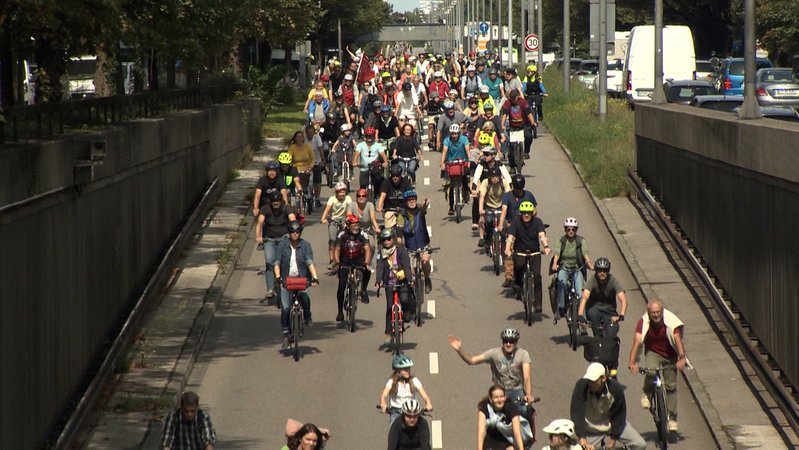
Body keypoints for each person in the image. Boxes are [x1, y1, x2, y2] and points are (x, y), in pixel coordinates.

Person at [628, 299, 691, 432]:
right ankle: (647, 392)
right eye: (653, 313)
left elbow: (678, 340)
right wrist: (632, 362)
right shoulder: (643, 322)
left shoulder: (671, 322)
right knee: (651, 371)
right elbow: (637, 341)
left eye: (658, 312)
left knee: (671, 387)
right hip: (653, 352)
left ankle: (672, 419)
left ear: (662, 311)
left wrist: (682, 358)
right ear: (648, 313)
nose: (655, 315)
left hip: (670, 354)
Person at [448, 328, 535, 415]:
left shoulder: (523, 354)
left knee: (524, 410)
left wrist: (529, 394)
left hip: (516, 390)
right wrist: (460, 350)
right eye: (506, 341)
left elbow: (527, 377)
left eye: (511, 341)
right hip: (500, 391)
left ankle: (528, 428)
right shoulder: (494, 353)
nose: (508, 344)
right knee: (488, 414)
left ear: (516, 342)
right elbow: (472, 360)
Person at [570, 362, 646, 450]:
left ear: (603, 378)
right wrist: (582, 437)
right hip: (591, 429)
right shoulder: (581, 387)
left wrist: (613, 439)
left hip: (612, 425)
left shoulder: (615, 389)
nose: (591, 383)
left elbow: (619, 415)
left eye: (594, 381)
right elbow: (576, 413)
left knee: (640, 444)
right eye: (589, 380)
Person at [274, 221, 319, 349]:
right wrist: (278, 277)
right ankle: (286, 336)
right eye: (292, 232)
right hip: (286, 280)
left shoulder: (306, 245)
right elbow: (277, 263)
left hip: (301, 279)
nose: (295, 234)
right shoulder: (282, 245)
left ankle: (307, 316)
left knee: (305, 298)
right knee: (286, 308)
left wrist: (315, 277)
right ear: (289, 233)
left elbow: (309, 262)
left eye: (297, 231)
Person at [504, 201, 551, 309]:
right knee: (519, 266)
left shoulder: (538, 222)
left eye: (528, 212)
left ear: (532, 213)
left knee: (537, 276)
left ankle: (538, 303)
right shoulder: (516, 222)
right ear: (520, 213)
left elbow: (542, 236)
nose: (526, 215)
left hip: (534, 253)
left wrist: (546, 247)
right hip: (520, 252)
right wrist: (507, 249)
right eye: (524, 212)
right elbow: (510, 237)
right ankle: (518, 285)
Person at [550, 218, 594, 322]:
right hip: (564, 267)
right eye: (568, 229)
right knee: (561, 284)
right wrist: (554, 264)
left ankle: (580, 314)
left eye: (573, 229)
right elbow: (557, 253)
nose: (571, 231)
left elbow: (585, 254)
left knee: (580, 290)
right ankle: (560, 309)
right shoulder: (561, 241)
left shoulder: (581, 241)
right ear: (565, 230)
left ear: (576, 230)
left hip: (577, 268)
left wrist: (590, 264)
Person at [256, 191, 297, 301]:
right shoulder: (265, 209)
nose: (276, 203)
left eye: (278, 201)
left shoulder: (286, 208)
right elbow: (260, 223)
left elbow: (292, 220)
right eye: (274, 202)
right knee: (270, 262)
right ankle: (270, 289)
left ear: (281, 201)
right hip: (269, 239)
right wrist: (258, 236)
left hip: (284, 237)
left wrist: (294, 232)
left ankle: (287, 282)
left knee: (285, 260)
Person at [498, 175, 538, 287]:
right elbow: (504, 211)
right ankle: (509, 277)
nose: (519, 192)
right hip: (512, 227)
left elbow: (535, 211)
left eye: (520, 190)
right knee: (509, 251)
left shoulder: (529, 195)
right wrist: (501, 225)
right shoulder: (507, 196)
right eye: (517, 189)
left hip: (526, 227)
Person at [375, 227, 413, 341]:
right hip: (389, 282)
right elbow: (380, 267)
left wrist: (410, 279)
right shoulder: (380, 252)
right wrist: (378, 281)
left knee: (405, 298)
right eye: (384, 239)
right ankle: (388, 332)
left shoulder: (401, 250)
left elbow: (406, 266)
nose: (386, 241)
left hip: (402, 281)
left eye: (389, 239)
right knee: (389, 307)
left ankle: (406, 312)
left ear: (393, 239)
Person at [334, 214, 373, 321]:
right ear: (347, 225)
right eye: (353, 225)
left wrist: (366, 262)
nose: (356, 227)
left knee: (367, 271)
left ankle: (363, 290)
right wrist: (337, 262)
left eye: (357, 225)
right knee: (341, 286)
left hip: (358, 258)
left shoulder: (362, 234)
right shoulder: (342, 234)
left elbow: (367, 248)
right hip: (344, 260)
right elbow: (337, 248)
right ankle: (340, 311)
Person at [577, 257, 628, 338]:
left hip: (609, 311)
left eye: (604, 271)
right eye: (599, 271)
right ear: (596, 271)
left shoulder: (612, 280)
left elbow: (623, 299)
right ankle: (597, 340)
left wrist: (621, 315)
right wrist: (580, 315)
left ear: (608, 271)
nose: (602, 273)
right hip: (594, 309)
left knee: (611, 334)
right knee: (594, 319)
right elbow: (584, 297)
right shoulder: (593, 280)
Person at [380, 354, 434, 424]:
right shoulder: (392, 382)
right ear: (398, 371)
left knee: (421, 429)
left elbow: (425, 396)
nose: (408, 371)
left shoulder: (414, 380)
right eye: (405, 369)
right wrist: (383, 403)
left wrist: (428, 403)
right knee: (393, 430)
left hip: (411, 411)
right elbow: (383, 395)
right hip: (396, 412)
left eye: (408, 369)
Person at [477, 385, 533, 450]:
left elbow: (517, 432)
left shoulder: (511, 407)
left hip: (508, 439)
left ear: (505, 397)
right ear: (490, 399)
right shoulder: (484, 407)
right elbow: (481, 432)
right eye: (496, 397)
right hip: (491, 438)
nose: (499, 400)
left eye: (501, 397)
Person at [397, 190, 433, 294]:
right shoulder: (402, 215)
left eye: (413, 200)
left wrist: (426, 203)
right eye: (409, 200)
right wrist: (399, 239)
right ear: (405, 202)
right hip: (410, 246)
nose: (412, 202)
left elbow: (423, 207)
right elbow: (399, 228)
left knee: (425, 260)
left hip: (423, 243)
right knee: (410, 270)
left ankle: (427, 280)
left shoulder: (419, 210)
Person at [320, 182, 352, 270]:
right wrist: (323, 218)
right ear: (336, 192)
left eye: (343, 192)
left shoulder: (348, 198)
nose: (342, 194)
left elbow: (350, 209)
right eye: (339, 192)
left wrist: (349, 219)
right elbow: (327, 209)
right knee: (332, 241)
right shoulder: (332, 199)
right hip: (334, 220)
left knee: (346, 239)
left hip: (344, 220)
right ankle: (331, 260)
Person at [440, 123, 471, 215]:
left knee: (464, 178)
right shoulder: (447, 140)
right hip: (450, 163)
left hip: (462, 162)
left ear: (459, 133)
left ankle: (466, 194)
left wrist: (469, 161)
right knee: (451, 185)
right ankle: (451, 206)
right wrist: (442, 163)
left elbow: (467, 150)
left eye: (456, 133)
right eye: (452, 134)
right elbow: (444, 151)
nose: (454, 136)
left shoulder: (464, 139)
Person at [478, 167, 511, 248]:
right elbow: (482, 196)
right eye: (492, 176)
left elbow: (509, 196)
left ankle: (503, 243)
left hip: (501, 207)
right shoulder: (486, 182)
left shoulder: (504, 183)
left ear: (500, 177)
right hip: (488, 207)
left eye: (496, 176)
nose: (494, 178)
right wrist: (481, 210)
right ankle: (488, 239)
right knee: (488, 221)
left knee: (503, 224)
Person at [500, 90, 536, 164]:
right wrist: (502, 125)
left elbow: (529, 113)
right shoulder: (507, 103)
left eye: (514, 98)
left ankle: (526, 152)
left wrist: (532, 123)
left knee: (528, 136)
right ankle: (512, 165)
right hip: (513, 126)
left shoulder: (523, 102)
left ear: (518, 97)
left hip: (524, 125)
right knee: (512, 147)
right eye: (512, 99)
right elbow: (504, 115)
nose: (513, 101)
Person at [354, 127, 389, 198]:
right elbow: (357, 154)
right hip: (364, 168)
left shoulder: (378, 145)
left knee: (378, 182)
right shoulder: (361, 145)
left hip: (375, 168)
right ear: (365, 136)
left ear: (373, 136)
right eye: (368, 136)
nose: (369, 138)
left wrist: (385, 162)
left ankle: (377, 196)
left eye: (371, 136)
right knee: (363, 186)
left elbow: (383, 154)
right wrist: (354, 162)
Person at [377, 164, 413, 230]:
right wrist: (379, 206)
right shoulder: (386, 182)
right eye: (393, 175)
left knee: (408, 229)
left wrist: (410, 206)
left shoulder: (406, 182)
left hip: (403, 210)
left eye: (397, 175)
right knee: (388, 230)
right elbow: (383, 195)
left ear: (400, 175)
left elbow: (410, 196)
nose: (395, 177)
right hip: (389, 209)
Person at [304, 124, 325, 208]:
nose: (310, 134)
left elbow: (320, 149)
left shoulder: (317, 138)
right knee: (304, 180)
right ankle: (304, 194)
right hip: (306, 163)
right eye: (308, 132)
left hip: (316, 161)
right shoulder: (304, 139)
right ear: (306, 133)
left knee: (317, 181)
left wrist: (323, 160)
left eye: (311, 132)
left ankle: (317, 199)